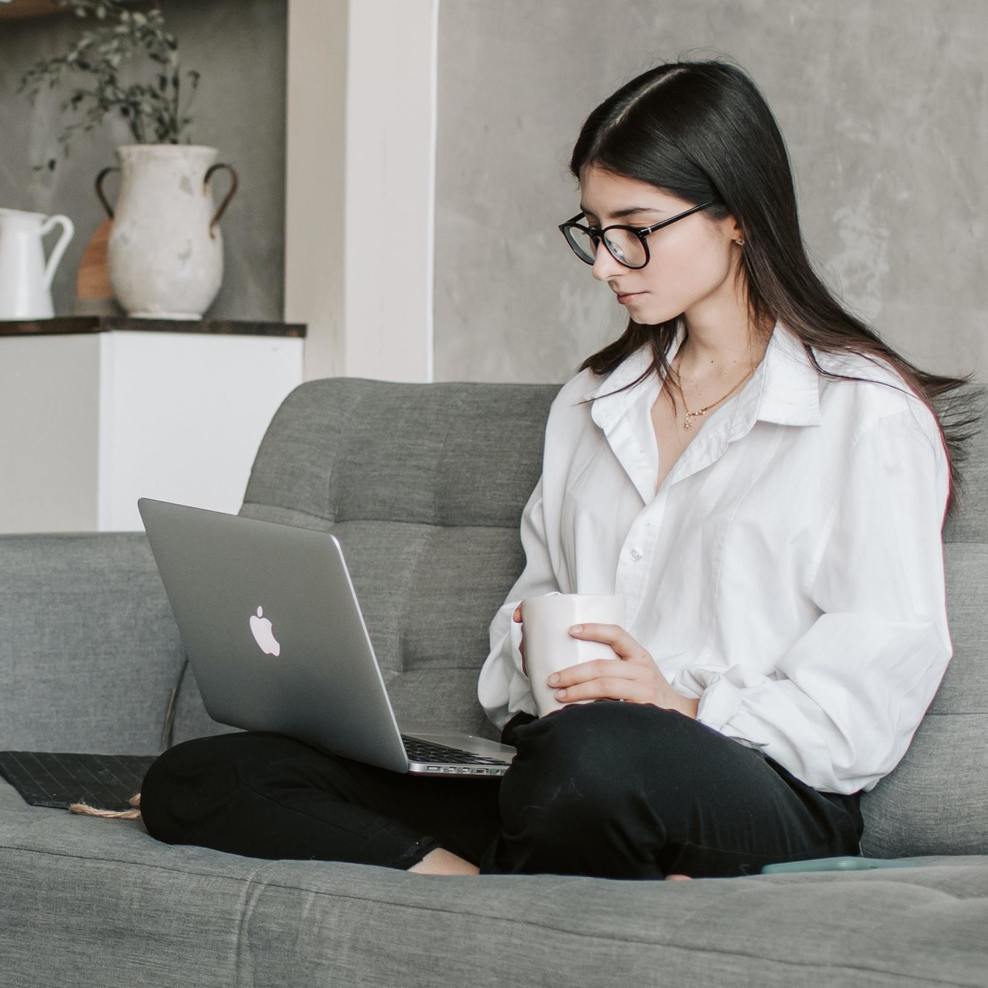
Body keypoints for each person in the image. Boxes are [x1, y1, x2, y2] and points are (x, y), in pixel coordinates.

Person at [139, 57, 978, 880]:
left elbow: (871, 693)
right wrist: (524, 646)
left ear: (737, 217)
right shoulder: (592, 403)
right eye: (594, 228)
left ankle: (526, 859)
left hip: (759, 781)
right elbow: (527, 632)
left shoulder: (862, 411)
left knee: (589, 763)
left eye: (636, 231)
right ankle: (455, 883)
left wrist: (682, 707)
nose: (606, 263)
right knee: (203, 776)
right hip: (562, 769)